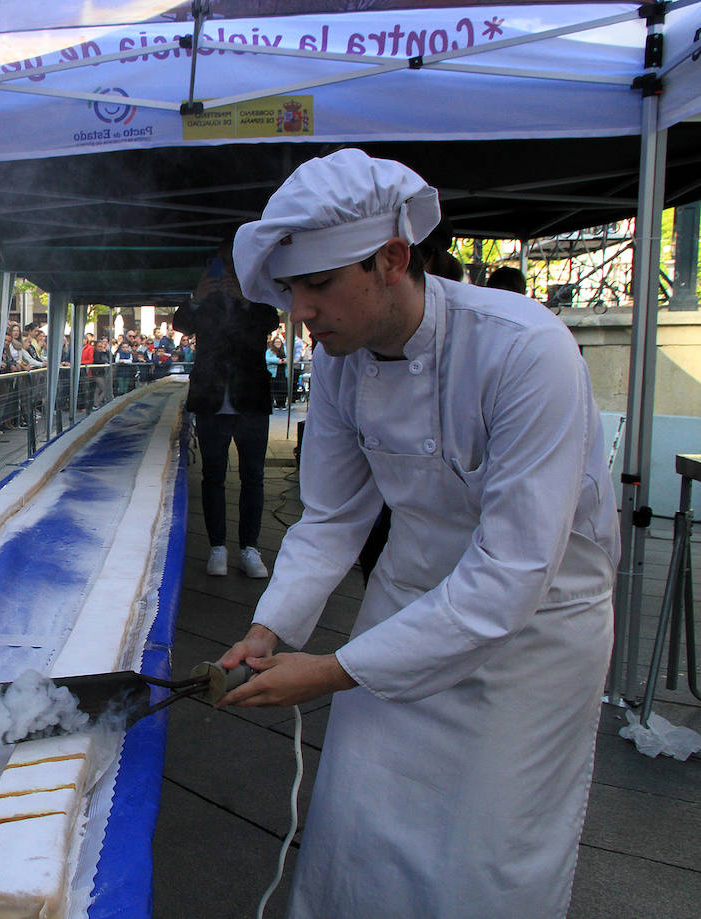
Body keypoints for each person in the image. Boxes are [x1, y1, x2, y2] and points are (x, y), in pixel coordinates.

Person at [217, 149, 617, 919]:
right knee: (356, 823)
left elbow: (511, 573)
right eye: (292, 289)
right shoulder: (338, 361)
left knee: (481, 855)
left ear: (393, 259)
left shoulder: (525, 350)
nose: (299, 310)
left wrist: (333, 668)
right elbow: (333, 515)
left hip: (534, 633)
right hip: (404, 601)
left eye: (319, 284)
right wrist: (272, 628)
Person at [173, 242, 277, 579]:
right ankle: (217, 546)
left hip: (251, 400)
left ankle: (250, 547)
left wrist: (246, 298)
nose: (226, 273)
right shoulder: (206, 300)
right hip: (210, 400)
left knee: (254, 478)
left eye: (232, 266)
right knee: (212, 476)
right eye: (220, 265)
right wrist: (197, 295)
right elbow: (180, 324)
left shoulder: (259, 297)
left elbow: (270, 320)